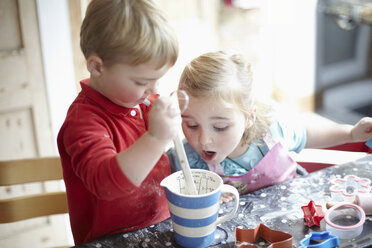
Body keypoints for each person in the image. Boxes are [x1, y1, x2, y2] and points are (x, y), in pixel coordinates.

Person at [168, 51, 372, 199]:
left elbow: (307, 134)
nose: (203, 140)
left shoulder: (273, 131)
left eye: (220, 127)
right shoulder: (186, 160)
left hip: (293, 209)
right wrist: (204, 200)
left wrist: (351, 133)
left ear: (249, 117)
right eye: (192, 125)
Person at [57, 0, 179, 245]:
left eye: (158, 79)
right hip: (111, 241)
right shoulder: (83, 122)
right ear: (97, 66)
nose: (154, 89)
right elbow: (106, 184)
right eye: (142, 81)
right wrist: (155, 138)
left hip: (162, 227)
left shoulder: (145, 103)